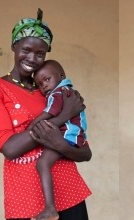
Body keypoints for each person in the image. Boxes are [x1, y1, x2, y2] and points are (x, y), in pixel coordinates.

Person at [0, 8, 91, 220]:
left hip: (70, 190)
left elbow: (85, 153)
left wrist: (59, 144)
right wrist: (61, 118)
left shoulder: (51, 89)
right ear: (14, 46)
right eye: (26, 50)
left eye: (40, 54)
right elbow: (10, 148)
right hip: (25, 198)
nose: (32, 58)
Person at [26, 59, 88, 220]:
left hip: (67, 135)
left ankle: (50, 209)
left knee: (42, 163)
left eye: (47, 79)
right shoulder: (69, 91)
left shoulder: (58, 93)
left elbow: (50, 112)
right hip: (74, 135)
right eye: (39, 84)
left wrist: (33, 125)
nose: (44, 86)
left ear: (61, 75)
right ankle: (51, 207)